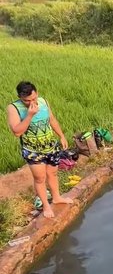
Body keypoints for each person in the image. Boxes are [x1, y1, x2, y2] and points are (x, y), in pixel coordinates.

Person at [6, 81, 73, 219]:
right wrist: (30, 115)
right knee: (40, 178)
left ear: (37, 93)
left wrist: (61, 136)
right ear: (19, 97)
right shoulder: (13, 108)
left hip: (50, 146)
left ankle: (57, 198)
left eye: (34, 98)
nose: (32, 102)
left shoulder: (43, 101)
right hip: (33, 150)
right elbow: (17, 132)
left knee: (53, 174)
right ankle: (46, 206)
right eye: (27, 100)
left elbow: (52, 120)